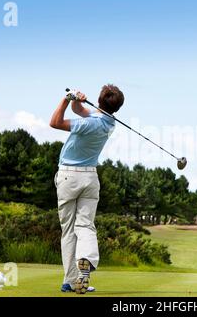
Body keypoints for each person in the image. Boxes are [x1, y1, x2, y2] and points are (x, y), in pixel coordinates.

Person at [49, 84, 124, 294]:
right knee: (85, 225)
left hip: (68, 176)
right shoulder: (109, 122)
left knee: (68, 230)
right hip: (90, 178)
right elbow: (80, 110)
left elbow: (54, 122)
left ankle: (74, 276)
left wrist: (65, 99)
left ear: (99, 101)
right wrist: (76, 100)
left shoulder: (89, 124)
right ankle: (81, 270)